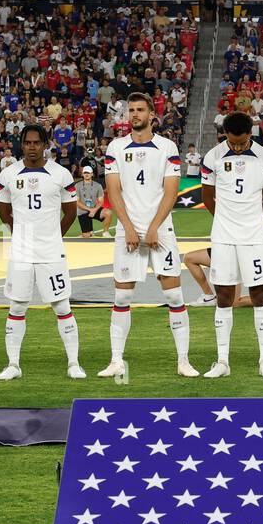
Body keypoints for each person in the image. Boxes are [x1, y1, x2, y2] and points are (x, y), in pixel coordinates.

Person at [98, 92, 193, 379]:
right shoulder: (115, 147)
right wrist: (128, 226)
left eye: (140, 110)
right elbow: (113, 190)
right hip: (127, 229)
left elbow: (171, 190)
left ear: (152, 114)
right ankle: (116, 360)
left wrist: (153, 227)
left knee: (174, 295)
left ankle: (183, 361)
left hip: (160, 229)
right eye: (131, 110)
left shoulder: (167, 147)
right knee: (123, 296)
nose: (135, 114)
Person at [0, 124, 84, 380]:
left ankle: (74, 363)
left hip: (51, 252)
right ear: (21, 145)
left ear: (46, 145)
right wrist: (19, 232)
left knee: (62, 305)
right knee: (17, 306)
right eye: (27, 142)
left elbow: (70, 212)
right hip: (21, 252)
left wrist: (54, 236)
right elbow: (3, 211)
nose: (32, 147)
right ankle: (13, 365)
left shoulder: (61, 174)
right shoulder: (8, 174)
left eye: (36, 142)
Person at [201, 110, 263, 378]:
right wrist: (226, 220)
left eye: (241, 142)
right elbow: (207, 196)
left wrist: (252, 218)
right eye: (232, 142)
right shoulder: (213, 156)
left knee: (259, 295)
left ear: (250, 135)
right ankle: (222, 361)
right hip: (223, 236)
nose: (236, 147)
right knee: (224, 297)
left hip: (254, 236)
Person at [75, 166, 110, 238]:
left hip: (94, 209)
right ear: (82, 174)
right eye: (85, 173)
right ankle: (88, 233)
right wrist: (90, 210)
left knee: (108, 213)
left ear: (92, 174)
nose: (86, 174)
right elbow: (77, 202)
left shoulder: (98, 186)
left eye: (88, 173)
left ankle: (106, 232)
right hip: (83, 211)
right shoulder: (77, 185)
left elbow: (101, 201)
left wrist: (94, 210)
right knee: (87, 236)